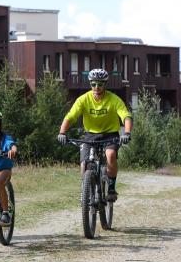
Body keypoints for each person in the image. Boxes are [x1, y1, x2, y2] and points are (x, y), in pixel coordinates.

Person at [57, 68, 133, 202]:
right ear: (90, 84)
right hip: (90, 135)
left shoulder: (113, 99)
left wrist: (126, 133)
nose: (96, 87)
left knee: (110, 155)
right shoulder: (84, 99)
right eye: (93, 84)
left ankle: (111, 188)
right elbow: (71, 116)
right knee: (84, 163)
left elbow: (125, 116)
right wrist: (62, 132)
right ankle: (85, 189)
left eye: (100, 84)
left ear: (105, 84)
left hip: (110, 134)